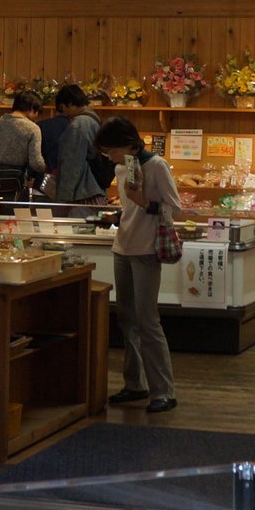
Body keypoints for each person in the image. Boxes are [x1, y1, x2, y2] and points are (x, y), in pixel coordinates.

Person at [95, 115, 179, 414]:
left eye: (112, 150)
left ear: (128, 143)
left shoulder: (156, 165)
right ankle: (135, 384)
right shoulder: (121, 168)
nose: (110, 157)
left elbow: (174, 206)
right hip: (123, 246)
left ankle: (164, 390)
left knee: (148, 320)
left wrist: (144, 202)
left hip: (145, 249)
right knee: (126, 319)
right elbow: (128, 207)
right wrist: (119, 214)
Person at [0, 89, 45, 201]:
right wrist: (47, 168)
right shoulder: (33, 128)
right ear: (32, 108)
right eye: (38, 112)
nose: (37, 117)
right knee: (17, 217)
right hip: (18, 185)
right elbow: (36, 163)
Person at [54, 83, 107, 205]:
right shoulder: (93, 120)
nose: (64, 113)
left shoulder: (78, 125)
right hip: (95, 190)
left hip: (82, 193)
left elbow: (71, 164)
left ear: (71, 103)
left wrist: (63, 199)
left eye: (63, 108)